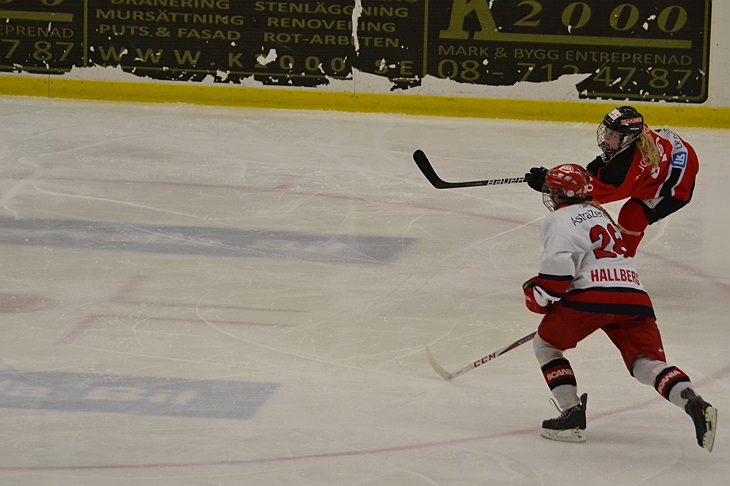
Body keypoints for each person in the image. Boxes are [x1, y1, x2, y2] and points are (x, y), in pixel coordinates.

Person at [522, 163, 716, 451]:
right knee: (645, 364)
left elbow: (556, 278)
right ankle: (693, 402)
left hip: (591, 298)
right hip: (633, 296)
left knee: (546, 345)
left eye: (552, 190)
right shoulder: (600, 214)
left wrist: (537, 295)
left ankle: (572, 415)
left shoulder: (559, 219)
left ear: (559, 195)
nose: (549, 194)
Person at [524, 106, 699, 257]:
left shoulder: (626, 168)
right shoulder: (633, 137)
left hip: (677, 184)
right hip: (674, 154)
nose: (606, 137)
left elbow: (593, 193)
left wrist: (550, 184)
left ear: (627, 138)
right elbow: (608, 162)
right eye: (607, 131)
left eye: (613, 135)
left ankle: (621, 262)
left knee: (632, 216)